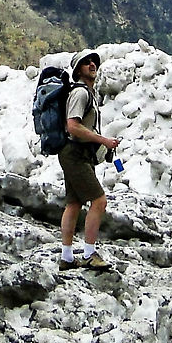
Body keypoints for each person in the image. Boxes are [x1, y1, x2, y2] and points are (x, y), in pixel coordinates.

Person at [58, 48, 120, 271]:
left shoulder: (87, 94)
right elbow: (73, 126)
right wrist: (103, 140)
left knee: (74, 203)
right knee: (99, 201)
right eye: (86, 63)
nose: (92, 65)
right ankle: (89, 254)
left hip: (76, 153)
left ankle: (66, 257)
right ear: (78, 70)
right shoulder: (81, 93)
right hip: (75, 153)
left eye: (94, 62)